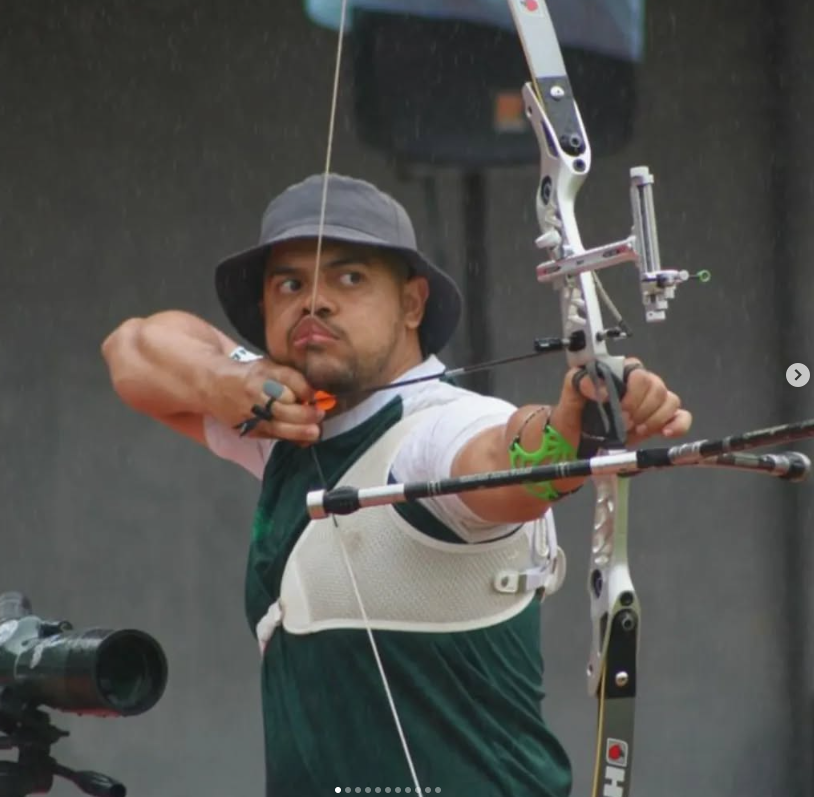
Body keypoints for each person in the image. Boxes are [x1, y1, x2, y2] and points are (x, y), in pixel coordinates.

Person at [102, 173, 691, 796]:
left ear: (412, 303)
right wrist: (221, 380)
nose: (314, 302)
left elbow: (505, 457)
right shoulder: (285, 421)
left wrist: (571, 430)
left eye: (349, 278)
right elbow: (132, 347)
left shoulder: (439, 429)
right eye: (289, 284)